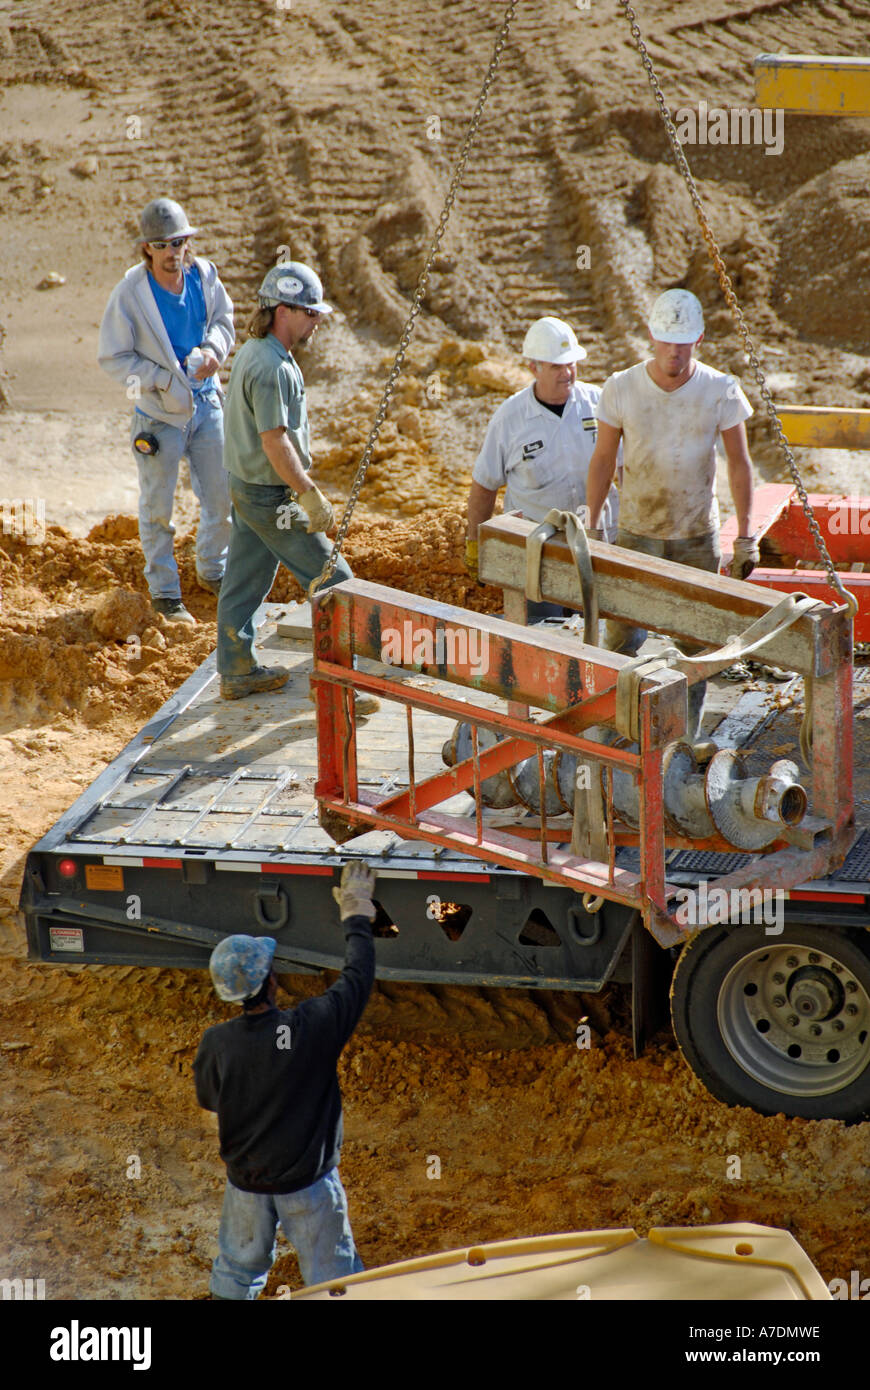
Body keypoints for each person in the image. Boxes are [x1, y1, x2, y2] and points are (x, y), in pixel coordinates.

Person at [194, 861, 377, 1299]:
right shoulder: (310, 1028)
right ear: (271, 981)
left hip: (246, 1185)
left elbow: (210, 1112)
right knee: (333, 1282)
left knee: (236, 1273)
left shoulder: (217, 1043)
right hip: (307, 1187)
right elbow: (357, 978)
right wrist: (356, 911)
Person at [584, 288, 760, 739]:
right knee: (623, 639)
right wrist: (594, 524)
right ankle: (620, 736)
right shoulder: (622, 387)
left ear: (699, 339)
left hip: (694, 536)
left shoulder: (720, 390)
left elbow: (740, 464)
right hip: (637, 532)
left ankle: (683, 744)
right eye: (667, 341)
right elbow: (603, 459)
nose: (674, 352)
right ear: (651, 337)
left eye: (683, 343)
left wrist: (745, 536)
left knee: (695, 644)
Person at [215, 261, 377, 709]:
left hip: (247, 487)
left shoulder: (255, 352)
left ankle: (237, 669)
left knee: (244, 579)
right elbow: (274, 440)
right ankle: (339, 687)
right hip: (271, 494)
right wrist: (307, 491)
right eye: (310, 312)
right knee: (334, 581)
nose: (316, 320)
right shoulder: (270, 367)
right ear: (283, 310)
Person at [98, 197, 234, 625]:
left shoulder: (205, 276)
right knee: (159, 508)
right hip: (158, 416)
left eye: (178, 242)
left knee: (220, 496)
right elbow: (113, 358)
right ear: (147, 249)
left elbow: (223, 322)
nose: (172, 251)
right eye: (162, 244)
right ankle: (165, 594)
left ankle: (213, 570)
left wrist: (213, 351)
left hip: (207, 403)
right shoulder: (131, 294)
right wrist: (158, 377)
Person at [465, 315, 619, 619]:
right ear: (533, 367)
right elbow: (484, 486)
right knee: (542, 629)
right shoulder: (510, 419)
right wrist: (475, 544)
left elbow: (629, 471)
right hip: (539, 553)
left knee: (602, 633)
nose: (568, 373)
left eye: (571, 364)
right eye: (556, 366)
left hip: (600, 544)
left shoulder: (599, 404)